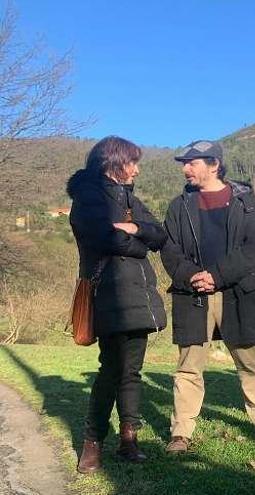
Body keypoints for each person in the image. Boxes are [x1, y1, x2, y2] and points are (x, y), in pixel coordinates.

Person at [160, 139, 255, 454]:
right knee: (188, 365)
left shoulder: (247, 202)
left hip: (238, 291)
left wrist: (217, 276)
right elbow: (169, 248)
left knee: (250, 360)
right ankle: (181, 433)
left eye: (192, 163)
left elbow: (252, 249)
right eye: (185, 163)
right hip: (192, 294)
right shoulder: (178, 206)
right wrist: (191, 275)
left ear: (214, 164)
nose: (185, 169)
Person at [67, 136, 167, 474]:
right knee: (110, 370)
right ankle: (92, 444)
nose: (137, 169)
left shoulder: (129, 198)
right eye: (132, 162)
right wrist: (139, 244)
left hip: (139, 294)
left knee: (131, 371)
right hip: (108, 293)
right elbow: (101, 238)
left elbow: (160, 233)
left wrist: (135, 227)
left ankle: (129, 441)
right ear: (113, 162)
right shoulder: (87, 195)